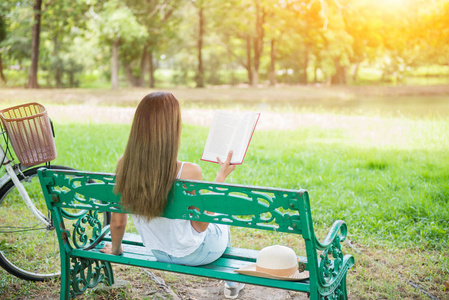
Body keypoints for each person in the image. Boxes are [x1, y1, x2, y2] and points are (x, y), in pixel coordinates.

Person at [100, 92, 245, 299]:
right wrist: (220, 177)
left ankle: (232, 284)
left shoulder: (125, 164)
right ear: (172, 127)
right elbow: (201, 225)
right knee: (221, 222)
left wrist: (116, 250)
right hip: (195, 254)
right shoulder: (189, 171)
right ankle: (232, 284)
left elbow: (117, 221)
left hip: (157, 251)